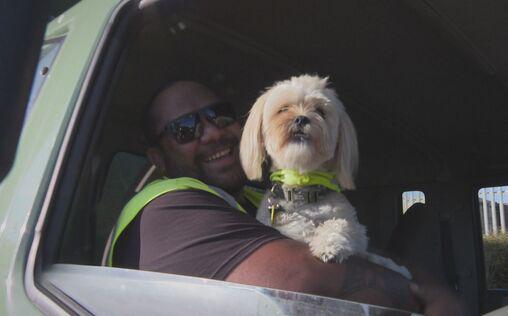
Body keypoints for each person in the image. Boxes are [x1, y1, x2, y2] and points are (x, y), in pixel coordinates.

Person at [109, 81, 465, 314]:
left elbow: (362, 253)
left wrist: (433, 287)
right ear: (158, 158)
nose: (213, 133)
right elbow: (304, 278)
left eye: (219, 114)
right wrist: (425, 293)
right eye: (185, 129)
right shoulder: (164, 208)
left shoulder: (258, 196)